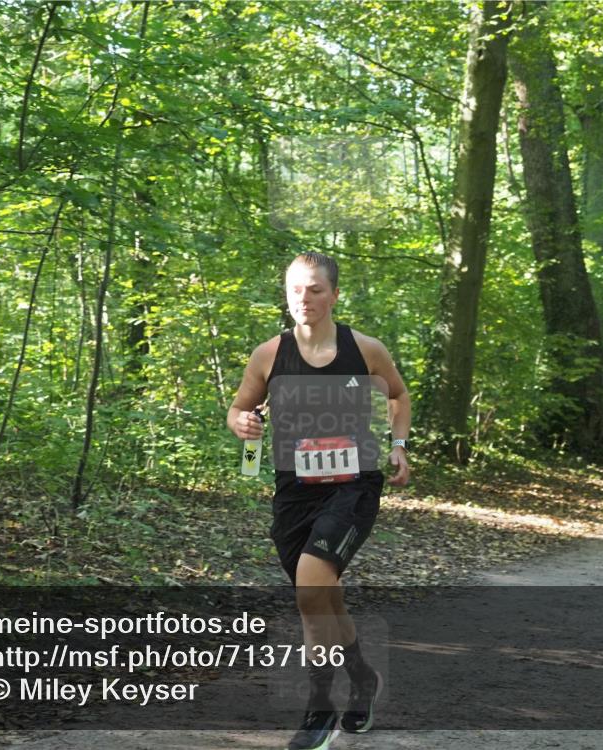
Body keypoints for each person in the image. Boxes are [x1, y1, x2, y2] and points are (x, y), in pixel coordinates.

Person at [227, 251, 411, 750]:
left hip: (353, 487)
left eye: (315, 289)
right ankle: (363, 677)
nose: (304, 299)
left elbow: (398, 395)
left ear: (334, 294)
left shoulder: (364, 349)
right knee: (323, 597)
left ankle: (319, 709)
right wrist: (241, 423)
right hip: (294, 493)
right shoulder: (269, 355)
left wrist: (398, 445)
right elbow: (240, 408)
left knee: (311, 589)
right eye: (295, 289)